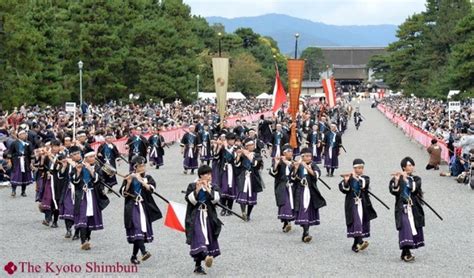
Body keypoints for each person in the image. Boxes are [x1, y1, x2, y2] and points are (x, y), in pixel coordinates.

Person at [120, 156, 162, 265]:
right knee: (137, 228)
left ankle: (133, 256)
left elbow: (152, 189)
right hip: (132, 206)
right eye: (140, 166)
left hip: (144, 206)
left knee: (140, 232)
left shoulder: (148, 177)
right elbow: (123, 193)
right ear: (135, 167)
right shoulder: (128, 177)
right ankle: (144, 252)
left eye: (144, 165)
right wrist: (128, 182)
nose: (143, 167)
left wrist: (142, 181)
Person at [184, 165, 222, 275]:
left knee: (207, 238)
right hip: (195, 216)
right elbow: (190, 200)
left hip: (208, 216)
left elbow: (216, 200)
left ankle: (198, 266)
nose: (210, 176)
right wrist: (198, 189)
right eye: (207, 174)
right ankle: (205, 257)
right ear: (201, 175)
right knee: (199, 237)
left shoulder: (213, 186)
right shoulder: (192, 185)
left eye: (210, 174)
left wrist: (208, 188)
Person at [71, 150, 109, 250]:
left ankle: (87, 238)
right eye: (91, 157)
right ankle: (83, 241)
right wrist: (78, 171)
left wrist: (91, 170)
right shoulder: (78, 166)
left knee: (90, 217)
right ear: (86, 158)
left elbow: (99, 179)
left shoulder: (97, 167)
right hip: (81, 194)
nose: (93, 158)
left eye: (94, 156)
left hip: (93, 194)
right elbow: (74, 180)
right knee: (83, 216)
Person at [389, 157, 425, 262]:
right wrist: (396, 180)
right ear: (404, 167)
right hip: (402, 208)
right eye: (409, 165)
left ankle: (404, 253)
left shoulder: (416, 179)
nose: (412, 167)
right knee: (405, 228)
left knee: (413, 228)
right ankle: (407, 253)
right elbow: (393, 191)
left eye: (412, 165)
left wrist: (405, 180)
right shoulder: (397, 178)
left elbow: (414, 189)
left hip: (413, 207)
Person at [339, 159, 377, 252]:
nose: (360, 170)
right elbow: (344, 189)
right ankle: (360, 241)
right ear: (354, 168)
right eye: (357, 168)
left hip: (363, 202)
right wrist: (347, 181)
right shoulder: (349, 178)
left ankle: (355, 244)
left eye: (361, 168)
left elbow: (363, 185)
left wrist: (355, 177)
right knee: (356, 220)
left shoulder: (365, 178)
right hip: (352, 203)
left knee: (362, 221)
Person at [292, 148, 326, 243]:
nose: (308, 158)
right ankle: (306, 233)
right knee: (303, 211)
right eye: (306, 156)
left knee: (308, 211)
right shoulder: (297, 164)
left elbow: (316, 175)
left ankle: (305, 233)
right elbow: (292, 177)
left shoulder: (313, 165)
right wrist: (296, 167)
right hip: (300, 191)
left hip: (310, 191)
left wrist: (307, 167)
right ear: (302, 157)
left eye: (309, 156)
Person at [235, 138, 264, 221]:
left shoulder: (257, 155)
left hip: (253, 176)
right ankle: (243, 211)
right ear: (247, 146)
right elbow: (237, 165)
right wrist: (238, 155)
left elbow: (256, 165)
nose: (253, 146)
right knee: (242, 193)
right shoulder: (242, 154)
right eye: (250, 145)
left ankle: (248, 214)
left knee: (252, 195)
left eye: (253, 145)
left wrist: (248, 155)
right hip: (243, 175)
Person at [269, 144, 295, 233]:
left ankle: (286, 223)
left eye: (291, 151)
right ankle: (287, 223)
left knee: (291, 204)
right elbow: (273, 173)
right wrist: (276, 164)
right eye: (289, 151)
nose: (291, 153)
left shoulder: (294, 162)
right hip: (282, 185)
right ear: (284, 153)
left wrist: (290, 164)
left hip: (292, 186)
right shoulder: (279, 162)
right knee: (284, 203)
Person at [8, 128, 34, 197]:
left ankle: (23, 191)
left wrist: (31, 162)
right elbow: (10, 152)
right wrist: (9, 161)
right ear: (19, 135)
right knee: (15, 175)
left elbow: (31, 153)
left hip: (26, 161)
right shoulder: (14, 143)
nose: (24, 135)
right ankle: (13, 190)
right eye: (22, 134)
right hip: (16, 161)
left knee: (24, 176)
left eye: (25, 134)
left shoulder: (28, 143)